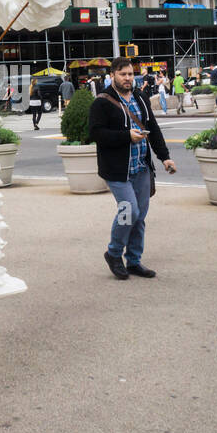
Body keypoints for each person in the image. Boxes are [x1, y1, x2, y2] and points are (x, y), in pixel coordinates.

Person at [88, 57, 177, 280]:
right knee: (130, 212)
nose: (128, 78)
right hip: (118, 171)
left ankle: (134, 261)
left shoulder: (140, 96)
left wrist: (164, 157)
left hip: (142, 168)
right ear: (112, 76)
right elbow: (96, 134)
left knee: (140, 217)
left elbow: (153, 129)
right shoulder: (102, 102)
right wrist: (126, 136)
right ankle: (114, 253)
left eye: (130, 74)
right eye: (123, 75)